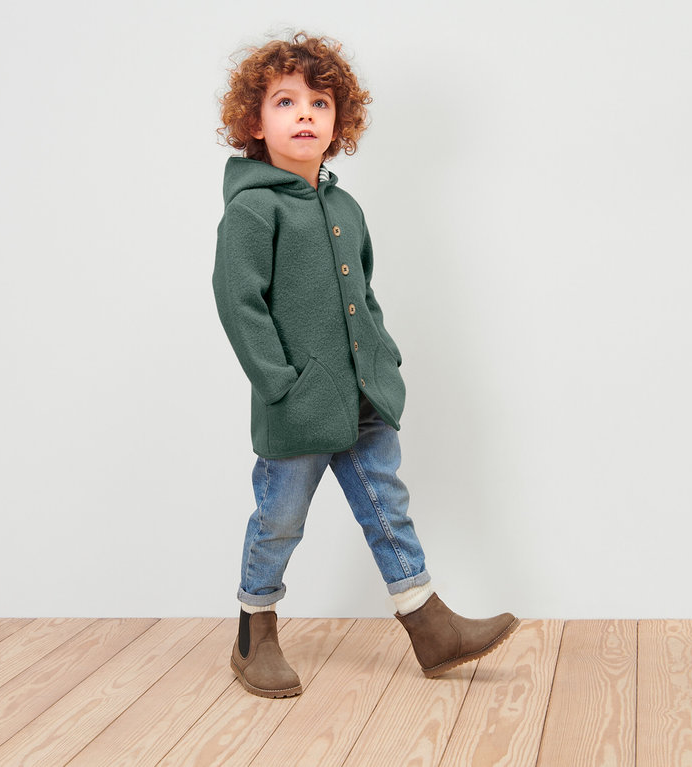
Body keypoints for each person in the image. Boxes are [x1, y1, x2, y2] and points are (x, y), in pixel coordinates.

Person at [213, 32, 519, 699]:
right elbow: (240, 306)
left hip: (363, 395)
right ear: (254, 122)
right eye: (285, 101)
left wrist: (384, 359)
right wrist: (279, 383)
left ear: (337, 123)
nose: (304, 115)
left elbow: (364, 294)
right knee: (280, 517)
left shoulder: (344, 207)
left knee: (387, 504)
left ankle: (429, 625)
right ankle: (253, 629)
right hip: (298, 404)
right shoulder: (252, 209)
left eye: (319, 103)